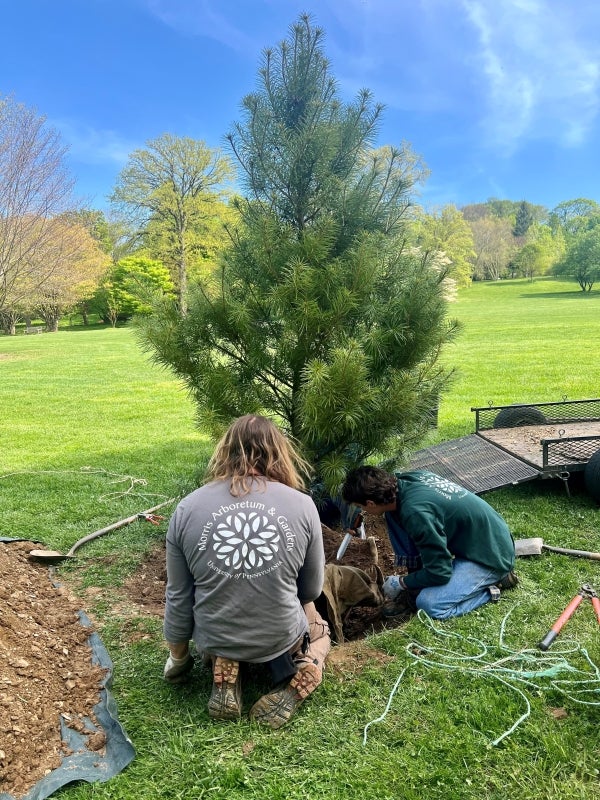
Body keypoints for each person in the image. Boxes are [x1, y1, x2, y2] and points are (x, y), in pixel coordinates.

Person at [162, 414, 331, 729]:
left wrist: (179, 660)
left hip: (215, 636)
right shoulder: (302, 504)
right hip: (279, 636)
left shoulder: (187, 508)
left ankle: (226, 663)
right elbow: (310, 590)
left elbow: (178, 595)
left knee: (222, 600)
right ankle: (308, 664)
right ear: (279, 452)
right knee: (317, 623)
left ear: (225, 452)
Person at [341, 466, 517, 620]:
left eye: (361, 506)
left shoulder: (416, 513)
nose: (362, 511)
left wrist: (401, 582)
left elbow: (440, 572)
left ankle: (494, 586)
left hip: (490, 556)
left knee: (430, 605)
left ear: (370, 503)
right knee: (392, 516)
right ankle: (414, 588)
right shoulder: (404, 482)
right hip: (483, 539)